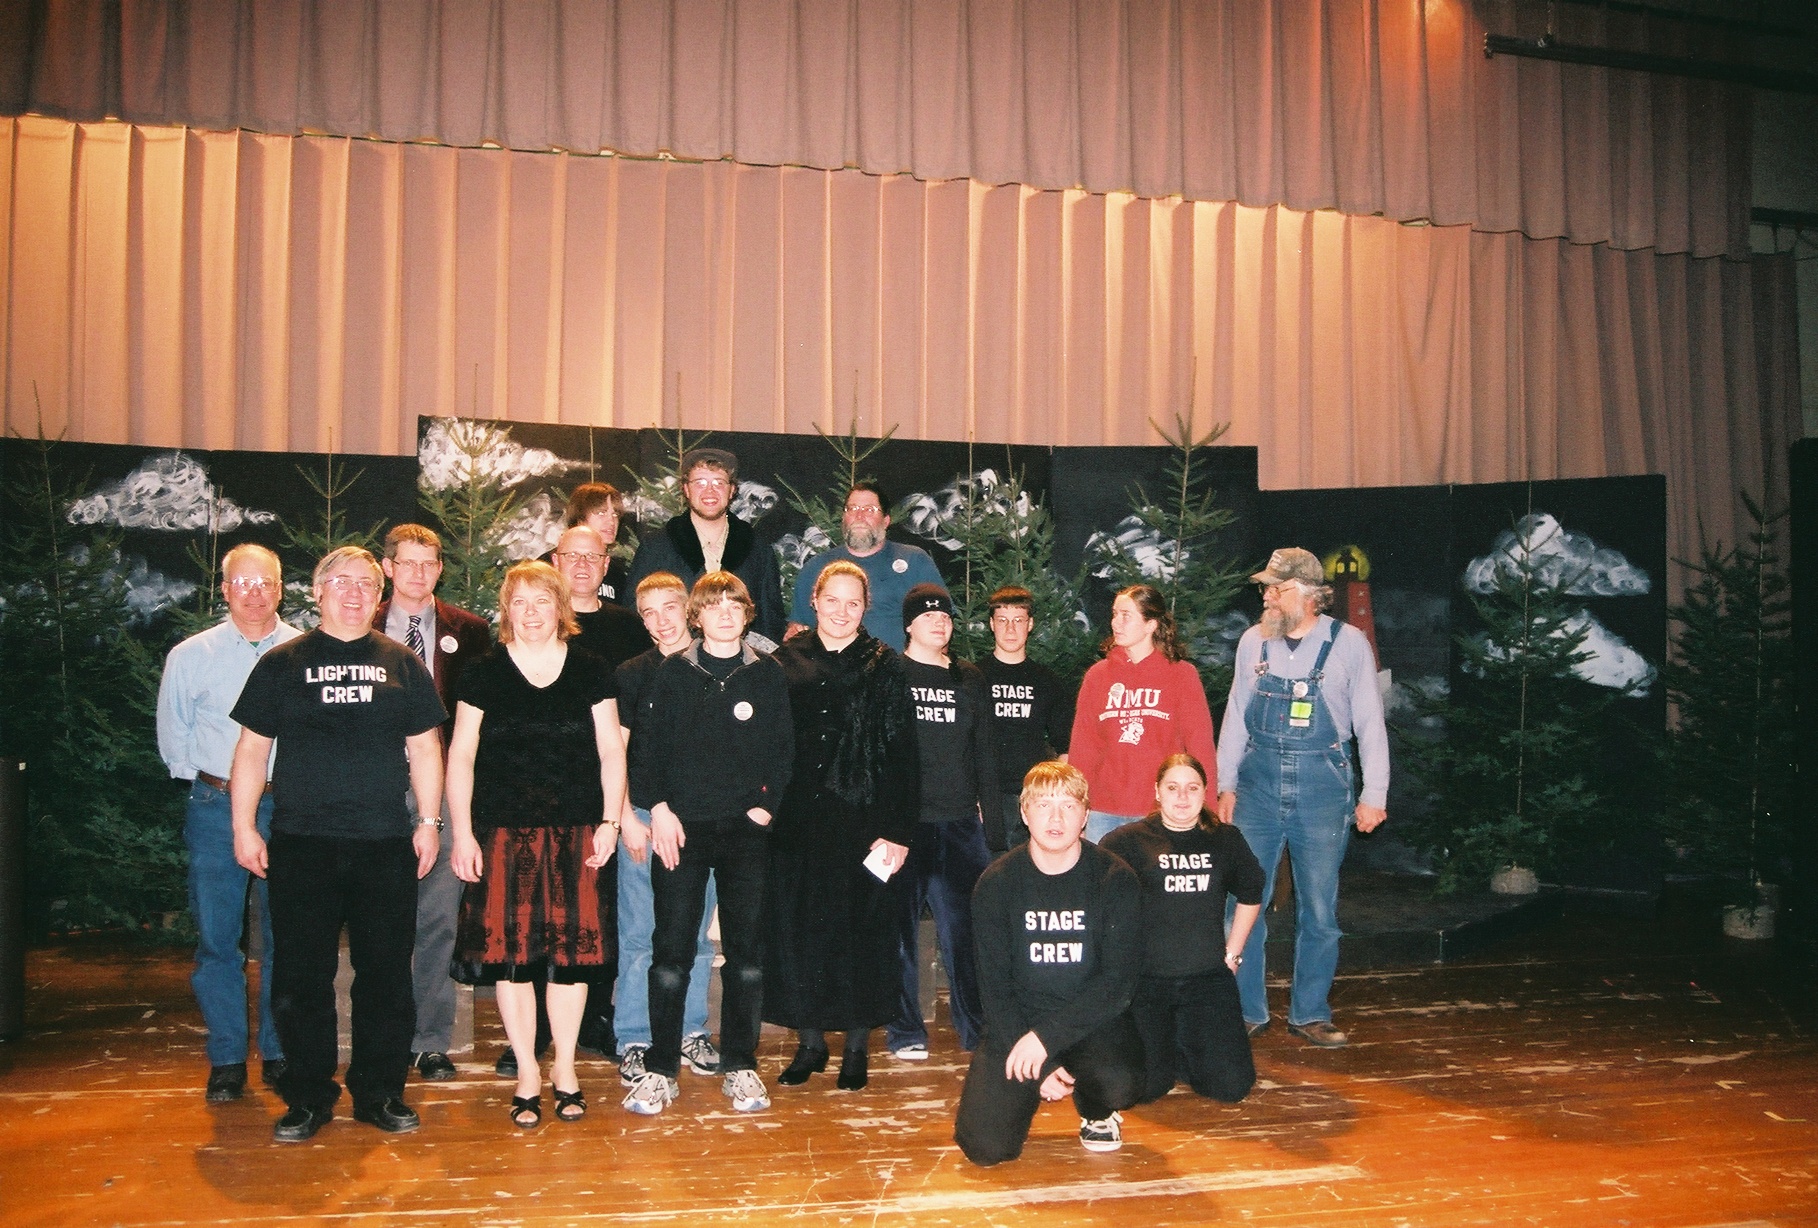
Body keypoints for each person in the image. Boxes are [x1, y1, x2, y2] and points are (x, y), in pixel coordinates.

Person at [228, 546, 447, 1142]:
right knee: (301, 977)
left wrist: (430, 822)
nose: (354, 593)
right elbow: (252, 750)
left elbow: (426, 748)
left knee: (386, 977)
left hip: (384, 844)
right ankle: (307, 1097)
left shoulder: (403, 663)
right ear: (318, 591)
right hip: (302, 844)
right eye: (341, 582)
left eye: (366, 584)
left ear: (378, 597)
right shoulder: (281, 663)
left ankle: (379, 1093)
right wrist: (244, 826)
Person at [446, 561, 626, 1128]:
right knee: (514, 962)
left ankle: (565, 1069)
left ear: (560, 608)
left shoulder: (591, 669)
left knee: (571, 963)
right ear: (507, 610)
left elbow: (611, 750)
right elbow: (461, 755)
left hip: (577, 833)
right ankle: (527, 1071)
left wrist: (610, 822)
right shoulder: (482, 672)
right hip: (502, 834)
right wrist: (463, 832)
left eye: (542, 601)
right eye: (519, 602)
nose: (531, 612)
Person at [623, 572, 794, 1115]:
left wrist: (765, 807)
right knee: (670, 954)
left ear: (747, 614)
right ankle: (660, 1069)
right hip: (682, 831)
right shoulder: (673, 673)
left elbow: (783, 749)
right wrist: (660, 809)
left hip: (745, 833)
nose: (724, 614)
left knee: (746, 957)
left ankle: (740, 1065)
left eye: (734, 606)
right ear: (696, 616)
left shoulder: (767, 673)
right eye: (713, 606)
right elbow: (647, 752)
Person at [1216, 548, 1388, 1048]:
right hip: (1257, 784)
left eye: (1277, 588)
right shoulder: (1253, 642)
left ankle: (1310, 1013)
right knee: (1243, 901)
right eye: (1266, 588)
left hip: (1323, 785)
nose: (1267, 596)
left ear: (1310, 594)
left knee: (1318, 907)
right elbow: (1235, 714)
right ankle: (1245, 1010)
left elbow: (1369, 721)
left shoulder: (1349, 643)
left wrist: (1374, 793)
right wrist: (1224, 784)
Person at [763, 560, 919, 1091]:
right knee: (800, 932)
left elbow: (903, 754)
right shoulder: (783, 662)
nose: (841, 611)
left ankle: (856, 1047)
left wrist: (898, 831)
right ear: (815, 600)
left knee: (862, 934)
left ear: (865, 607)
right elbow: (768, 745)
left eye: (853, 602)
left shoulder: (885, 665)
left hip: (864, 823)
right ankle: (810, 1044)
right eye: (832, 599)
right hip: (797, 823)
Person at [157, 543, 301, 1103]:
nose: (255, 593)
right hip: (215, 808)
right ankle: (226, 1058)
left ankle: (279, 1052)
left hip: (288, 810)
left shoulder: (303, 652)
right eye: (243, 582)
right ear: (224, 589)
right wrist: (215, 787)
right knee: (218, 940)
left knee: (287, 937)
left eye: (265, 582)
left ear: (280, 589)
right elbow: (174, 739)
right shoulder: (190, 656)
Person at [953, 761, 1144, 1165]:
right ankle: (1037, 1085)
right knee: (985, 1148)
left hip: (1090, 1021)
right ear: (1024, 813)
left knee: (1120, 1083)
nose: (1056, 818)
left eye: (1068, 806)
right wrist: (1038, 1065)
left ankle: (1096, 1110)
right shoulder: (997, 883)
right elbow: (994, 988)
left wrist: (1046, 1041)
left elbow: (1117, 985)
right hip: (1020, 1024)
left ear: (1085, 815)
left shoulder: (1115, 878)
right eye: (1043, 805)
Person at [373, 524, 493, 1084]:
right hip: (374, 787)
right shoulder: (361, 622)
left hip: (443, 788)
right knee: (379, 916)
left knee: (439, 918)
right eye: (408, 563)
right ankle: (383, 1034)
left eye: (429, 563)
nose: (418, 573)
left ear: (440, 569)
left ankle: (429, 1040)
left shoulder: (470, 632)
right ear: (388, 567)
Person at [611, 571, 723, 1087]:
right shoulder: (631, 673)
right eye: (649, 613)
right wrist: (625, 819)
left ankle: (689, 1030)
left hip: (699, 821)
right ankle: (636, 1037)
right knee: (641, 932)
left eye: (669, 608)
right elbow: (617, 752)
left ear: (689, 610)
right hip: (641, 818)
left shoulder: (715, 665)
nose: (661, 622)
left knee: (695, 933)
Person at [1102, 754, 1263, 1103]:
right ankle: (1166, 1049)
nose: (1182, 797)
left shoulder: (1225, 840)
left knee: (1231, 1087)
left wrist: (1233, 954)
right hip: (1148, 982)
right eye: (1172, 788)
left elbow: (1252, 892)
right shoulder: (1126, 842)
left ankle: (1182, 1047)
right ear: (1157, 791)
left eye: (1192, 788)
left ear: (1205, 792)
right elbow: (1101, 903)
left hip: (1207, 980)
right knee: (1145, 1090)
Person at [885, 583, 994, 1063]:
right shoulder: (890, 673)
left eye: (946, 616)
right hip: (903, 827)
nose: (939, 622)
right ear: (909, 625)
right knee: (900, 936)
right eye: (928, 615)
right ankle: (905, 1031)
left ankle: (976, 1029)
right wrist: (879, 823)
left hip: (960, 825)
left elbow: (983, 751)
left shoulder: (969, 677)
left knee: (965, 935)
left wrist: (989, 819)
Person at [1068, 584, 1217, 844]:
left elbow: (1200, 747)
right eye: (1115, 614)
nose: (1116, 622)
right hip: (1104, 811)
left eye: (1126, 615)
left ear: (1151, 625)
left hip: (1160, 812)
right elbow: (1083, 749)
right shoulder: (1097, 676)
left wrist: (1209, 812)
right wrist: (1075, 810)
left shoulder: (1182, 675)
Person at [628, 447, 784, 646]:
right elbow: (634, 612)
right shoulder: (656, 547)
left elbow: (770, 621)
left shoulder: (757, 549)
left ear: (732, 490)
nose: (709, 491)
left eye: (718, 483)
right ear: (686, 489)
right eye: (700, 483)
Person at [785, 482, 944, 651]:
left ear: (886, 521)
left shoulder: (914, 560)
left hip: (900, 664)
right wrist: (795, 632)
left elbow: (939, 627)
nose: (859, 516)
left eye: (869, 510)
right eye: (852, 509)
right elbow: (798, 627)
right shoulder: (816, 567)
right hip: (833, 664)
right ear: (844, 518)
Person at [977, 585, 1075, 851]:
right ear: (991, 624)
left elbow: (1066, 746)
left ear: (1030, 624)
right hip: (987, 797)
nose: (1010, 629)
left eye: (1018, 620)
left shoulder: (1047, 681)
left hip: (1033, 797)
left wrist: (1054, 797)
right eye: (1002, 620)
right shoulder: (973, 677)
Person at [561, 482, 632, 605]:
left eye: (615, 514)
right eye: (601, 513)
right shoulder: (549, 566)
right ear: (580, 518)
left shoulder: (616, 574)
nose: (611, 521)